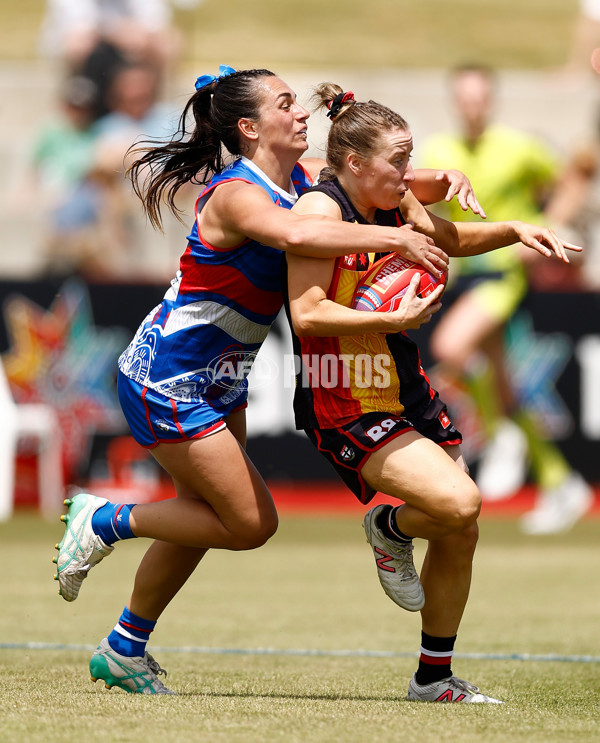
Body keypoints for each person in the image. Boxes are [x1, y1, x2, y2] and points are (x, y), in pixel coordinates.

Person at [52, 65, 483, 695]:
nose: (300, 112)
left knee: (205, 515)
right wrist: (400, 236)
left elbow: (388, 184)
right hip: (169, 377)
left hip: (221, 380)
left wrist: (444, 180)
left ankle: (124, 648)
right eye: (285, 104)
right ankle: (105, 520)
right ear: (251, 128)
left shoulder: (301, 179)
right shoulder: (235, 193)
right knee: (251, 525)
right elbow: (301, 232)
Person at [284, 84, 579, 703]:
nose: (408, 172)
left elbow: (454, 240)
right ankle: (388, 526)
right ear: (356, 163)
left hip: (405, 390)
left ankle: (433, 678)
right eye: (398, 160)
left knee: (459, 530)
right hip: (345, 399)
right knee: (460, 503)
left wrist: (516, 229)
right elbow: (308, 315)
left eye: (410, 156)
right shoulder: (320, 213)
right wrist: (387, 322)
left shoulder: (394, 203)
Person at [422, 64, 593, 535]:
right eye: (465, 98)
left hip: (507, 276)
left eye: (480, 97)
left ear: (491, 100)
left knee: (451, 348)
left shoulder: (519, 146)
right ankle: (562, 482)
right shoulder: (441, 149)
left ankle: (499, 438)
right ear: (456, 101)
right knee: (506, 389)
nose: (473, 106)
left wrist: (543, 234)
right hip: (469, 276)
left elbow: (573, 180)